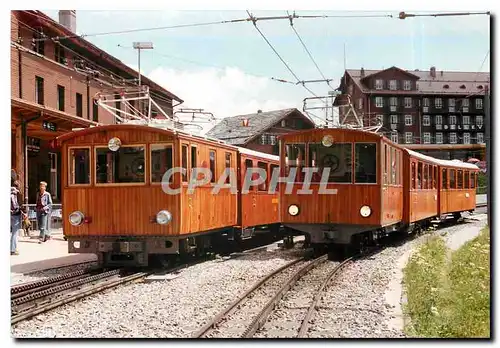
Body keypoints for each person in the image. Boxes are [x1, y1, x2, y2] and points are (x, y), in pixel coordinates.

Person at [10, 180, 23, 255]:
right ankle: (13, 250)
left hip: (11, 215)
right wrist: (20, 209)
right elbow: (15, 206)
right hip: (15, 215)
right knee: (15, 233)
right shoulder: (13, 194)